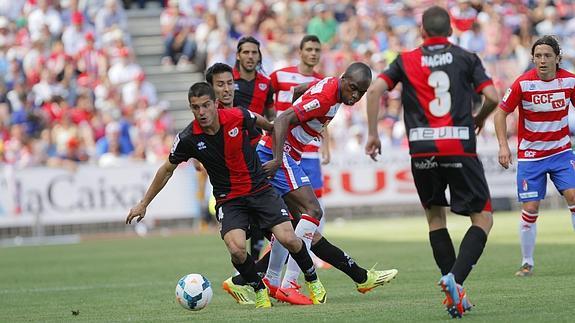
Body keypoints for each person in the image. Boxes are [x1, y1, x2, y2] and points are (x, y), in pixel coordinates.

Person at [126, 82, 326, 308]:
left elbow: (265, 123)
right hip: (229, 200)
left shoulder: (237, 116)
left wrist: (274, 135)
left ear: (215, 104)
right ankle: (259, 288)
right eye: (195, 107)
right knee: (237, 249)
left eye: (205, 105)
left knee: (288, 238)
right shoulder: (188, 138)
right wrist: (143, 204)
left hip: (260, 190)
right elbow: (166, 170)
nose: (201, 112)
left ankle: (312, 279)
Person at [364, 6, 499, 318]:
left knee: (436, 219)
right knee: (483, 217)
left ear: (422, 31)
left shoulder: (405, 59)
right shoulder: (466, 57)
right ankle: (455, 280)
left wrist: (373, 134)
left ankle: (454, 291)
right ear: (450, 31)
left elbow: (374, 90)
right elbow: (492, 95)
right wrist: (479, 118)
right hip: (459, 147)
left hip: (422, 149)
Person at [258, 62, 398, 304]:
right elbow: (282, 119)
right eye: (353, 88)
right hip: (282, 154)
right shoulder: (326, 96)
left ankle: (270, 279)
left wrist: (312, 126)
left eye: (361, 93)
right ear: (344, 79)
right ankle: (289, 283)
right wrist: (279, 158)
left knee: (292, 224)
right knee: (313, 211)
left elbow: (300, 90)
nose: (354, 96)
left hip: (286, 153)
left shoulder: (331, 85)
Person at [494, 35, 575, 278]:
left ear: (558, 58)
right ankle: (527, 262)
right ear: (532, 58)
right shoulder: (523, 83)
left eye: (547, 56)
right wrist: (503, 146)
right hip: (531, 156)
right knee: (530, 207)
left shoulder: (570, 82)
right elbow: (500, 114)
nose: (542, 60)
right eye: (538, 56)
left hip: (561, 152)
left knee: (574, 196)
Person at [233, 36, 274, 258]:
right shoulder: (226, 80)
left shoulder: (266, 84)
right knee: (240, 211)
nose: (250, 56)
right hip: (231, 153)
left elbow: (271, 118)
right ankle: (242, 261)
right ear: (238, 55)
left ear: (259, 56)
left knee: (259, 209)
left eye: (254, 52)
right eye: (246, 52)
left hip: (256, 152)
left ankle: (254, 267)